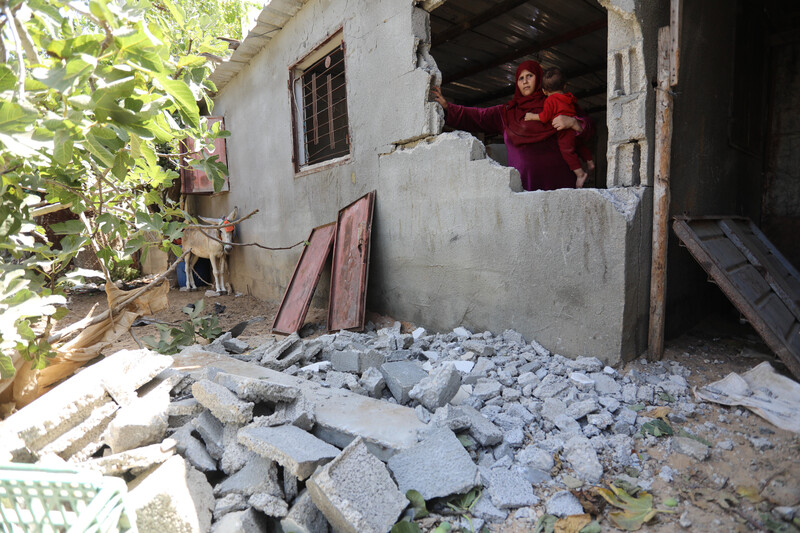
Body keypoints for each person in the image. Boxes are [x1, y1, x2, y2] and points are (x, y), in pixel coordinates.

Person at [431, 60, 593, 191]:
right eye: (521, 78)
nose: (525, 81)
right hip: (524, 188)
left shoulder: (558, 103)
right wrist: (448, 107)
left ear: (539, 79)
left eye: (530, 76)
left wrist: (573, 122)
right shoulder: (507, 112)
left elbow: (588, 131)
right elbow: (478, 116)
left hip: (561, 185)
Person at [525, 67, 594, 188]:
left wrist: (532, 116)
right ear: (565, 86)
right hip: (575, 130)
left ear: (544, 91)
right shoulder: (569, 98)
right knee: (579, 145)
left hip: (565, 132)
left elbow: (545, 117)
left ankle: (580, 174)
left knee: (567, 151)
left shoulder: (550, 100)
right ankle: (590, 162)